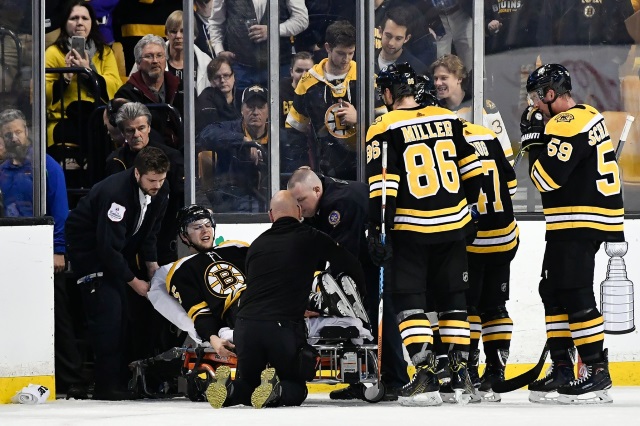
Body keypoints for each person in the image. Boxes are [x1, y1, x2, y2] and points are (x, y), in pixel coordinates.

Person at [365, 63, 483, 406]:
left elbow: (383, 186)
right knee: (453, 301)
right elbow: (474, 170)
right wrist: (471, 211)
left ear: (388, 94)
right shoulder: (447, 117)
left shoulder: (384, 125)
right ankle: (460, 378)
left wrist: (378, 229)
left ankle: (426, 376)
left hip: (412, 228)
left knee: (409, 302)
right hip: (454, 226)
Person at [519, 64, 622, 404]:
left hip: (581, 218)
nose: (534, 105)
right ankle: (563, 367)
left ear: (551, 94)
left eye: (537, 97)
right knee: (552, 289)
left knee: (576, 292)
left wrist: (534, 141)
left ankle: (596, 371)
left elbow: (546, 179)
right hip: (575, 218)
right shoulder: (586, 114)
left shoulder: (567, 122)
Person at [206, 190, 366, 409]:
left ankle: (230, 390)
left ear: (271, 215)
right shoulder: (310, 235)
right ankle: (278, 389)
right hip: (281, 327)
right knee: (296, 387)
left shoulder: (257, 245)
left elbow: (262, 286)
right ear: (299, 212)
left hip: (245, 326)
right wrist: (361, 296)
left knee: (248, 384)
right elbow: (350, 263)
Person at [287, 167, 409, 400]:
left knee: (380, 317)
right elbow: (320, 251)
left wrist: (319, 290)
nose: (299, 208)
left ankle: (396, 379)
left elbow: (342, 254)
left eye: (301, 200)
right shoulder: (320, 201)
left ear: (316, 189)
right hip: (361, 263)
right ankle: (359, 380)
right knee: (353, 321)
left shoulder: (339, 203)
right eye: (296, 203)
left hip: (379, 263)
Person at [65, 146, 170, 400]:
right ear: (137, 174)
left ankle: (127, 379)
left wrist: (152, 267)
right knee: (108, 314)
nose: (157, 185)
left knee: (130, 315)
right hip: (90, 254)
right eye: (151, 180)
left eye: (161, 179)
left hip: (117, 251)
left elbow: (150, 232)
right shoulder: (116, 195)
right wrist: (135, 282)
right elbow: (106, 248)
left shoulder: (160, 189)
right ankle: (106, 385)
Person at [0, 108, 87, 398]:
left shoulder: (47, 166)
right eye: (8, 133)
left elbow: (61, 212)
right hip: (12, 253)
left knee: (58, 316)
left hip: (44, 252)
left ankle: (71, 377)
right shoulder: (2, 171)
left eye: (18, 131)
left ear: (28, 131)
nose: (14, 137)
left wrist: (59, 250)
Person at [460, 119, 520, 402]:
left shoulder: (448, 137)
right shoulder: (486, 134)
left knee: (468, 306)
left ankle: (469, 372)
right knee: (496, 306)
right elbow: (512, 187)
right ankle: (495, 372)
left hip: (474, 239)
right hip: (505, 235)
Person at [197, 85, 308, 212]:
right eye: (250, 107)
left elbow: (291, 167)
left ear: (269, 111)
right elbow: (205, 135)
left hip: (271, 197)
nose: (255, 112)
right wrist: (242, 140)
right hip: (232, 199)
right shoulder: (231, 129)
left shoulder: (280, 137)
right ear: (241, 110)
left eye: (261, 107)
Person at [105, 101, 184, 266]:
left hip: (164, 240)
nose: (136, 134)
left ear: (149, 127)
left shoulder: (172, 157)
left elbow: (184, 195)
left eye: (141, 128)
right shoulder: (115, 161)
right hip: (126, 244)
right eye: (130, 130)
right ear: (123, 133)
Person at [286, 21, 359, 179]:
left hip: (362, 167)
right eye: (340, 53)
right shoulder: (308, 82)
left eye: (351, 53)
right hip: (324, 169)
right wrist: (301, 165)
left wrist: (360, 119)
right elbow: (295, 131)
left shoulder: (365, 77)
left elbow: (385, 123)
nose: (346, 59)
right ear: (327, 48)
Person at [45, 0, 122, 149]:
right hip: (63, 119)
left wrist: (87, 72)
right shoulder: (53, 53)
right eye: (74, 18)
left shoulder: (105, 52)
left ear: (92, 23)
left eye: (85, 18)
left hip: (98, 118)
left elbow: (115, 88)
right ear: (65, 23)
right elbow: (42, 95)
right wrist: (65, 78)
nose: (79, 23)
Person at [209, 0, 309, 93]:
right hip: (241, 67)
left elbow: (302, 19)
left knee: (280, 109)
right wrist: (219, 51)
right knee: (241, 109)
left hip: (279, 66)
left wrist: (272, 30)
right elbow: (215, 22)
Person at [431, 54, 514, 164]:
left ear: (459, 78)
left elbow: (505, 152)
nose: (437, 83)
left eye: (443, 78)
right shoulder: (433, 111)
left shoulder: (484, 107)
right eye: (436, 78)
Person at [114, 35, 183, 149]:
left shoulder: (181, 87)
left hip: (182, 153)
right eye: (149, 56)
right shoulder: (126, 94)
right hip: (146, 155)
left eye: (159, 56)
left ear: (165, 60)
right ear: (138, 63)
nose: (155, 61)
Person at [128, 11, 211, 96]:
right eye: (173, 31)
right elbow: (131, 89)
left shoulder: (207, 62)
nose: (178, 36)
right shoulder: (146, 59)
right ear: (166, 34)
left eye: (183, 31)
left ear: (194, 35)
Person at [195, 56, 241, 134]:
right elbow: (210, 134)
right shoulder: (205, 100)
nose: (222, 80)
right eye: (217, 77)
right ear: (211, 80)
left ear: (233, 76)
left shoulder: (242, 97)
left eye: (226, 75)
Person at [375, 7, 427, 76]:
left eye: (398, 38)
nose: (391, 43)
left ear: (407, 38)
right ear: (380, 31)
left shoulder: (417, 70)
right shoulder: (365, 60)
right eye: (388, 36)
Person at [280, 52, 314, 129]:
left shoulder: (320, 91)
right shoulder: (280, 90)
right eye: (299, 71)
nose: (303, 75)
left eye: (308, 71)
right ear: (291, 72)